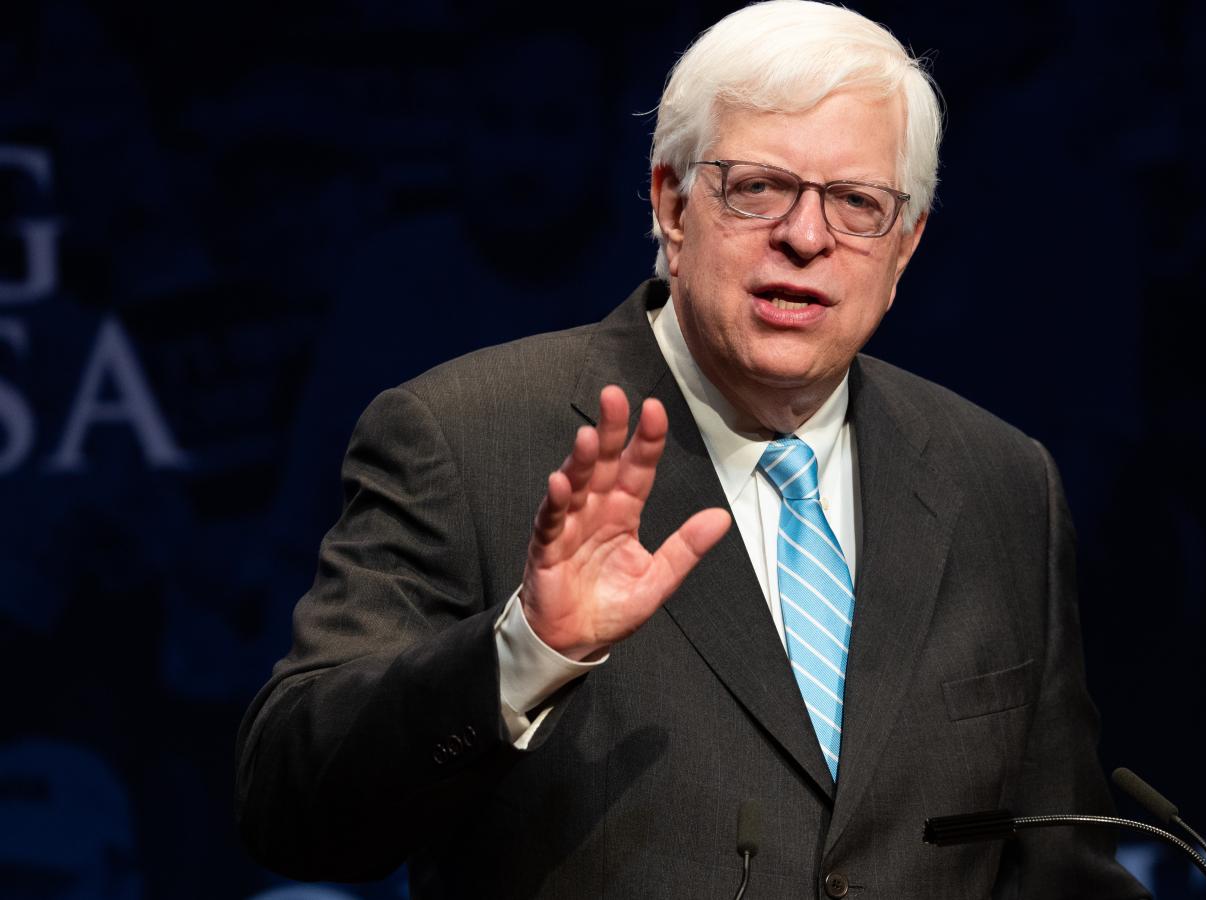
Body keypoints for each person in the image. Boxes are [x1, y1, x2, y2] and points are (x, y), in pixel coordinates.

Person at [235, 2, 1146, 897]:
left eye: (857, 204)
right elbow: (291, 804)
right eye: (759, 188)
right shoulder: (464, 437)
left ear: (904, 246)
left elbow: (1058, 864)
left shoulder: (1001, 482)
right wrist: (528, 652)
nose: (805, 236)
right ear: (672, 203)